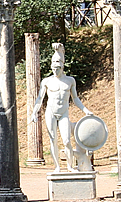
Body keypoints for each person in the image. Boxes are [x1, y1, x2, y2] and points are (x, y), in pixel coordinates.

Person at [29, 43, 93, 173]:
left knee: (67, 140)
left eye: (57, 68)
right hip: (50, 112)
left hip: (64, 113)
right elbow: (40, 98)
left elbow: (75, 99)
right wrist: (34, 113)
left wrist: (86, 110)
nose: (55, 70)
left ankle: (69, 166)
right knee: (53, 139)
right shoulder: (47, 81)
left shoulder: (70, 81)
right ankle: (57, 166)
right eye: (53, 68)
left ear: (62, 67)